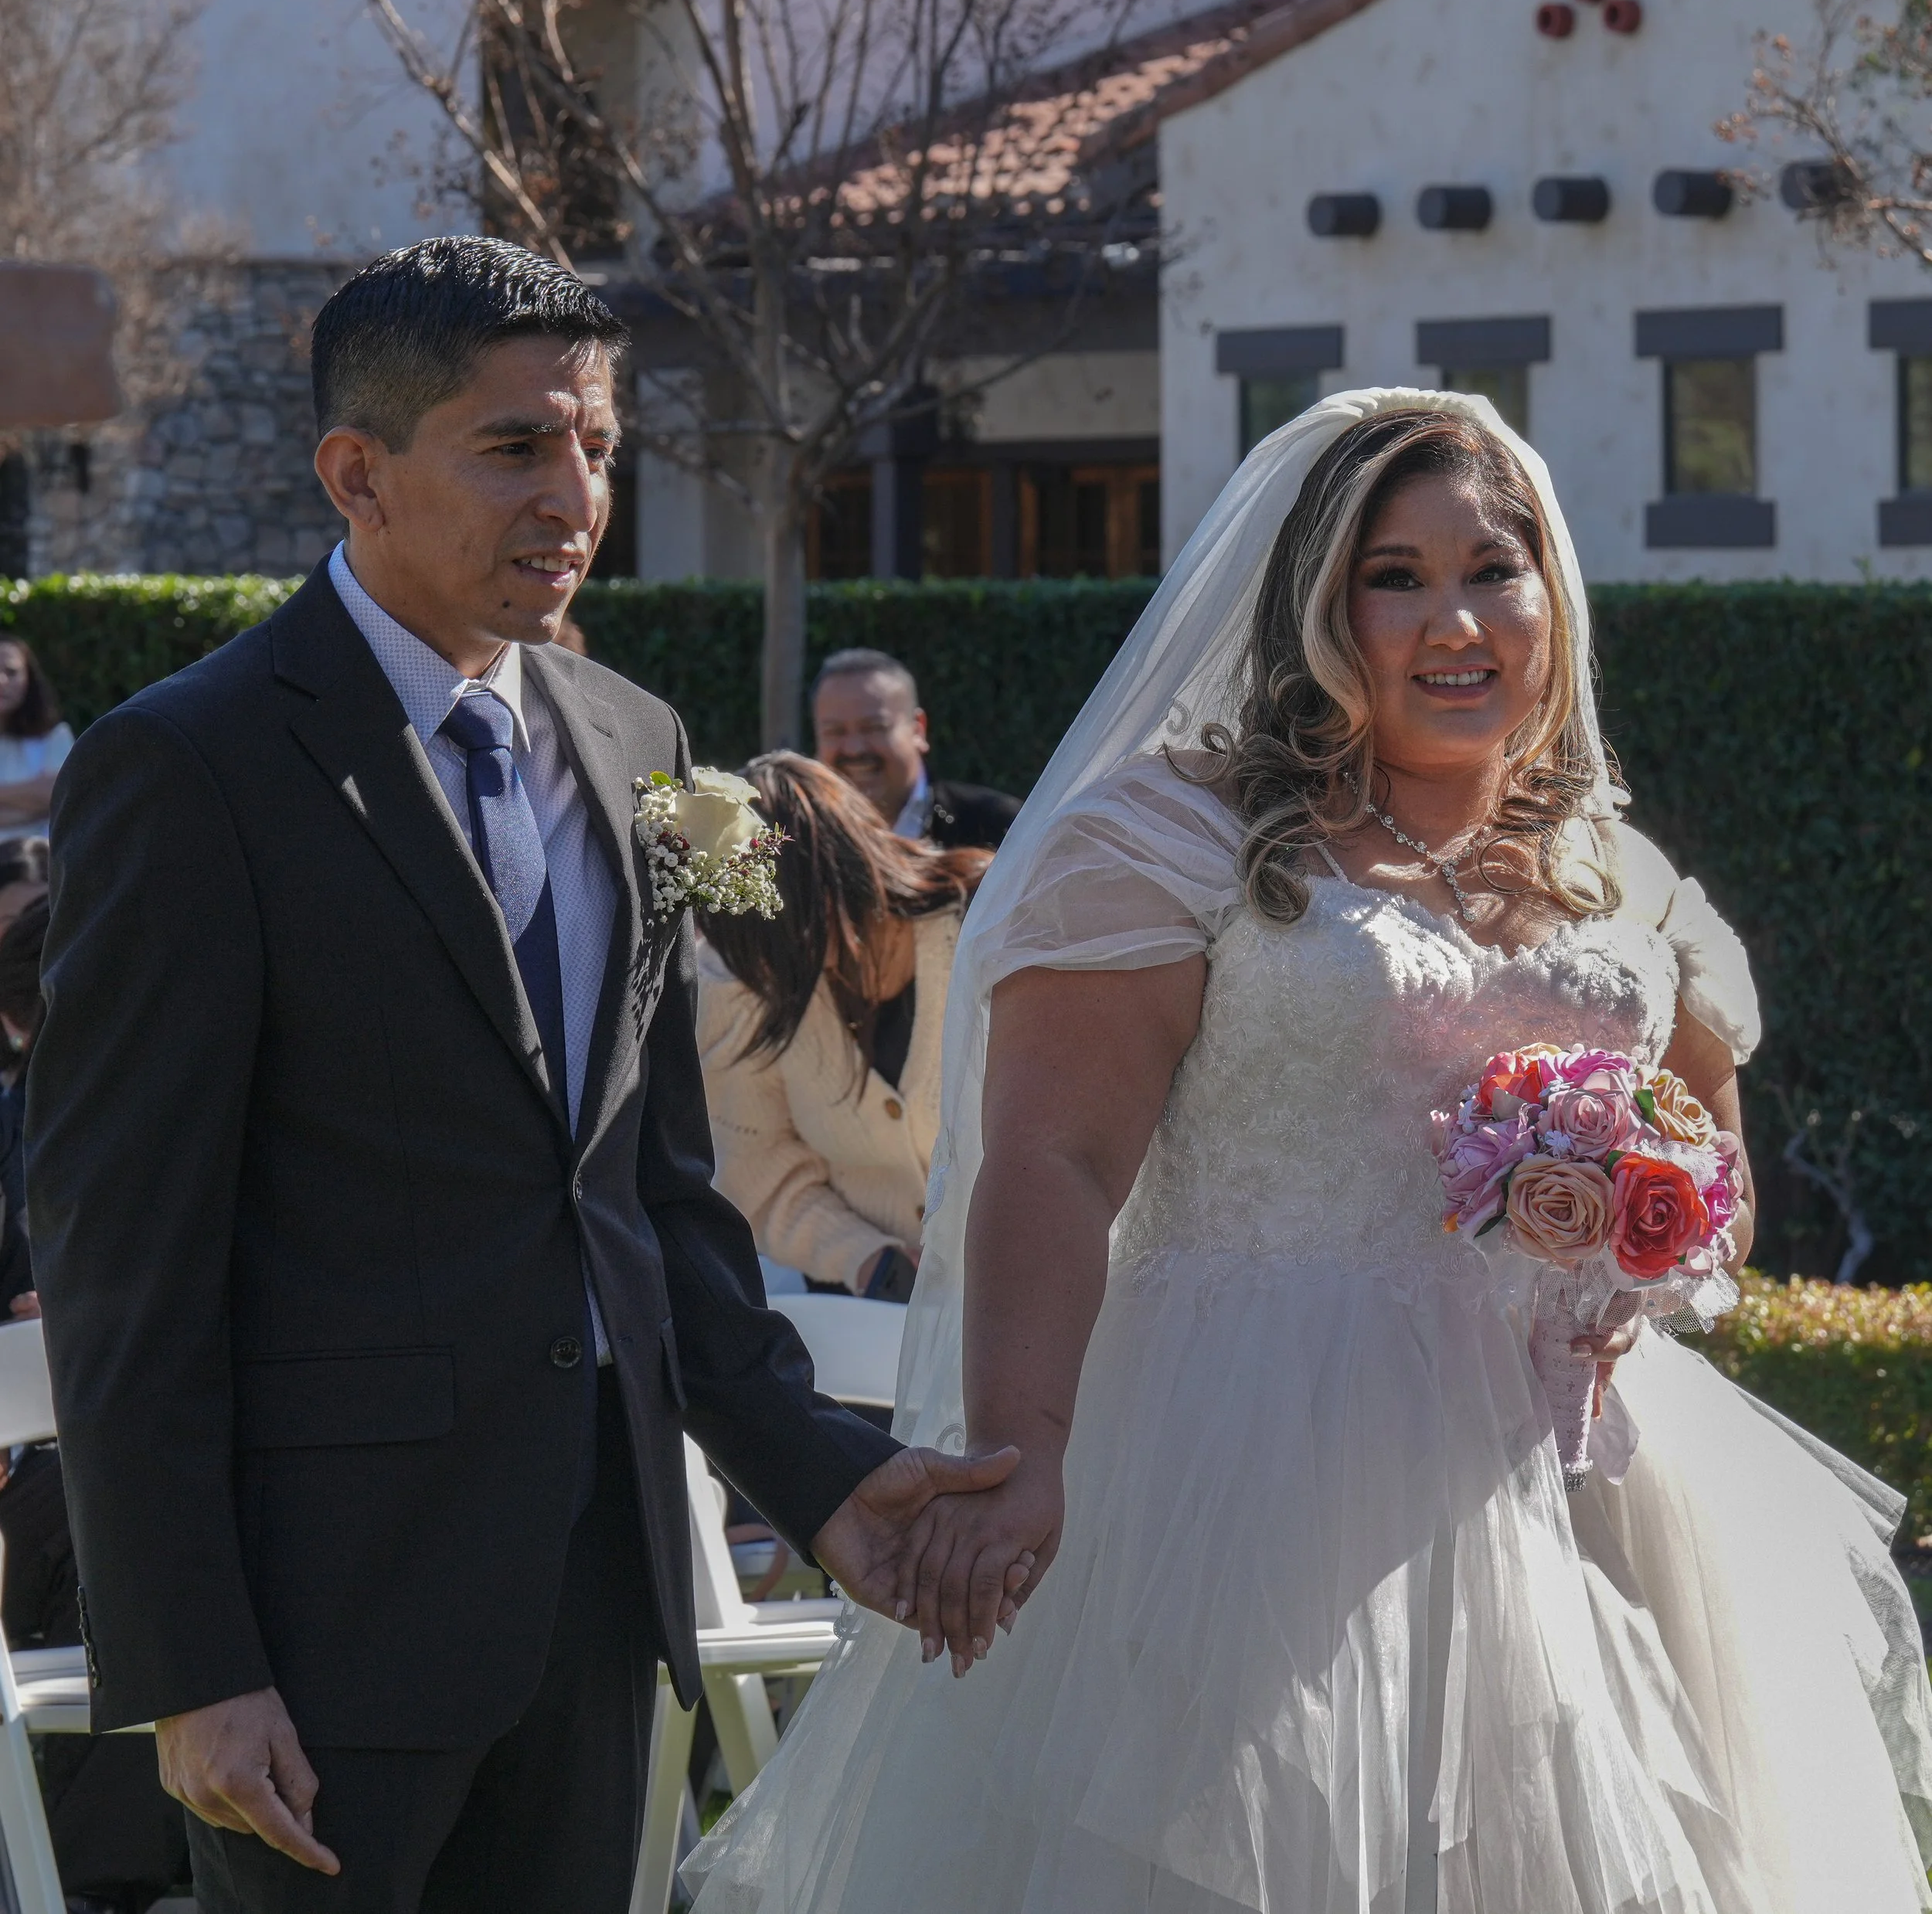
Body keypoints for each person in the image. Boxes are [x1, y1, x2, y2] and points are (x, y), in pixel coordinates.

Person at [687, 389, 1932, 1914]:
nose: (1452, 615)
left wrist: (1637, 1246)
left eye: (1493, 565)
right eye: (1390, 575)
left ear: (1552, 592)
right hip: (1241, 1460)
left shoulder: (1611, 863)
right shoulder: (1170, 840)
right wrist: (1026, 1450)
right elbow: (1054, 1158)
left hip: (1571, 1479)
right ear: (1310, 609)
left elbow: (1707, 1166)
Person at [27, 236, 1014, 1914]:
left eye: (597, 447)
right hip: (314, 1636)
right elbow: (120, 1259)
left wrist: (822, 1476)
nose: (573, 494)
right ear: (358, 471)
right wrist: (191, 1660)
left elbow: (645, 1193)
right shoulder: (184, 767)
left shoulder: (633, 739)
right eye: (513, 445)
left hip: (591, 1595)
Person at [0, 891, 194, 1914]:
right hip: (46, 1460)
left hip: (147, 1428)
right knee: (118, 1524)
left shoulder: (171, 1101)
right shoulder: (22, 1122)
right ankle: (94, 1876)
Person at [697, 754, 989, 1300]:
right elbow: (760, 1173)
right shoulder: (741, 980)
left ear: (839, 873)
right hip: (867, 1317)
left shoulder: (985, 922)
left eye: (784, 936)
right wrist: (869, 1260)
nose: (775, 970)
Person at [811, 649, 1019, 849]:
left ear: (918, 729)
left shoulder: (999, 829)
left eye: (873, 728)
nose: (854, 749)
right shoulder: (793, 838)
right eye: (835, 731)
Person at [0, 634, 73, 829]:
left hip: (37, 857)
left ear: (28, 678)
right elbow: (46, 798)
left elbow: (61, 796)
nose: (2, 681)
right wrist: (34, 799)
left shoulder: (55, 736)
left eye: (11, 672)